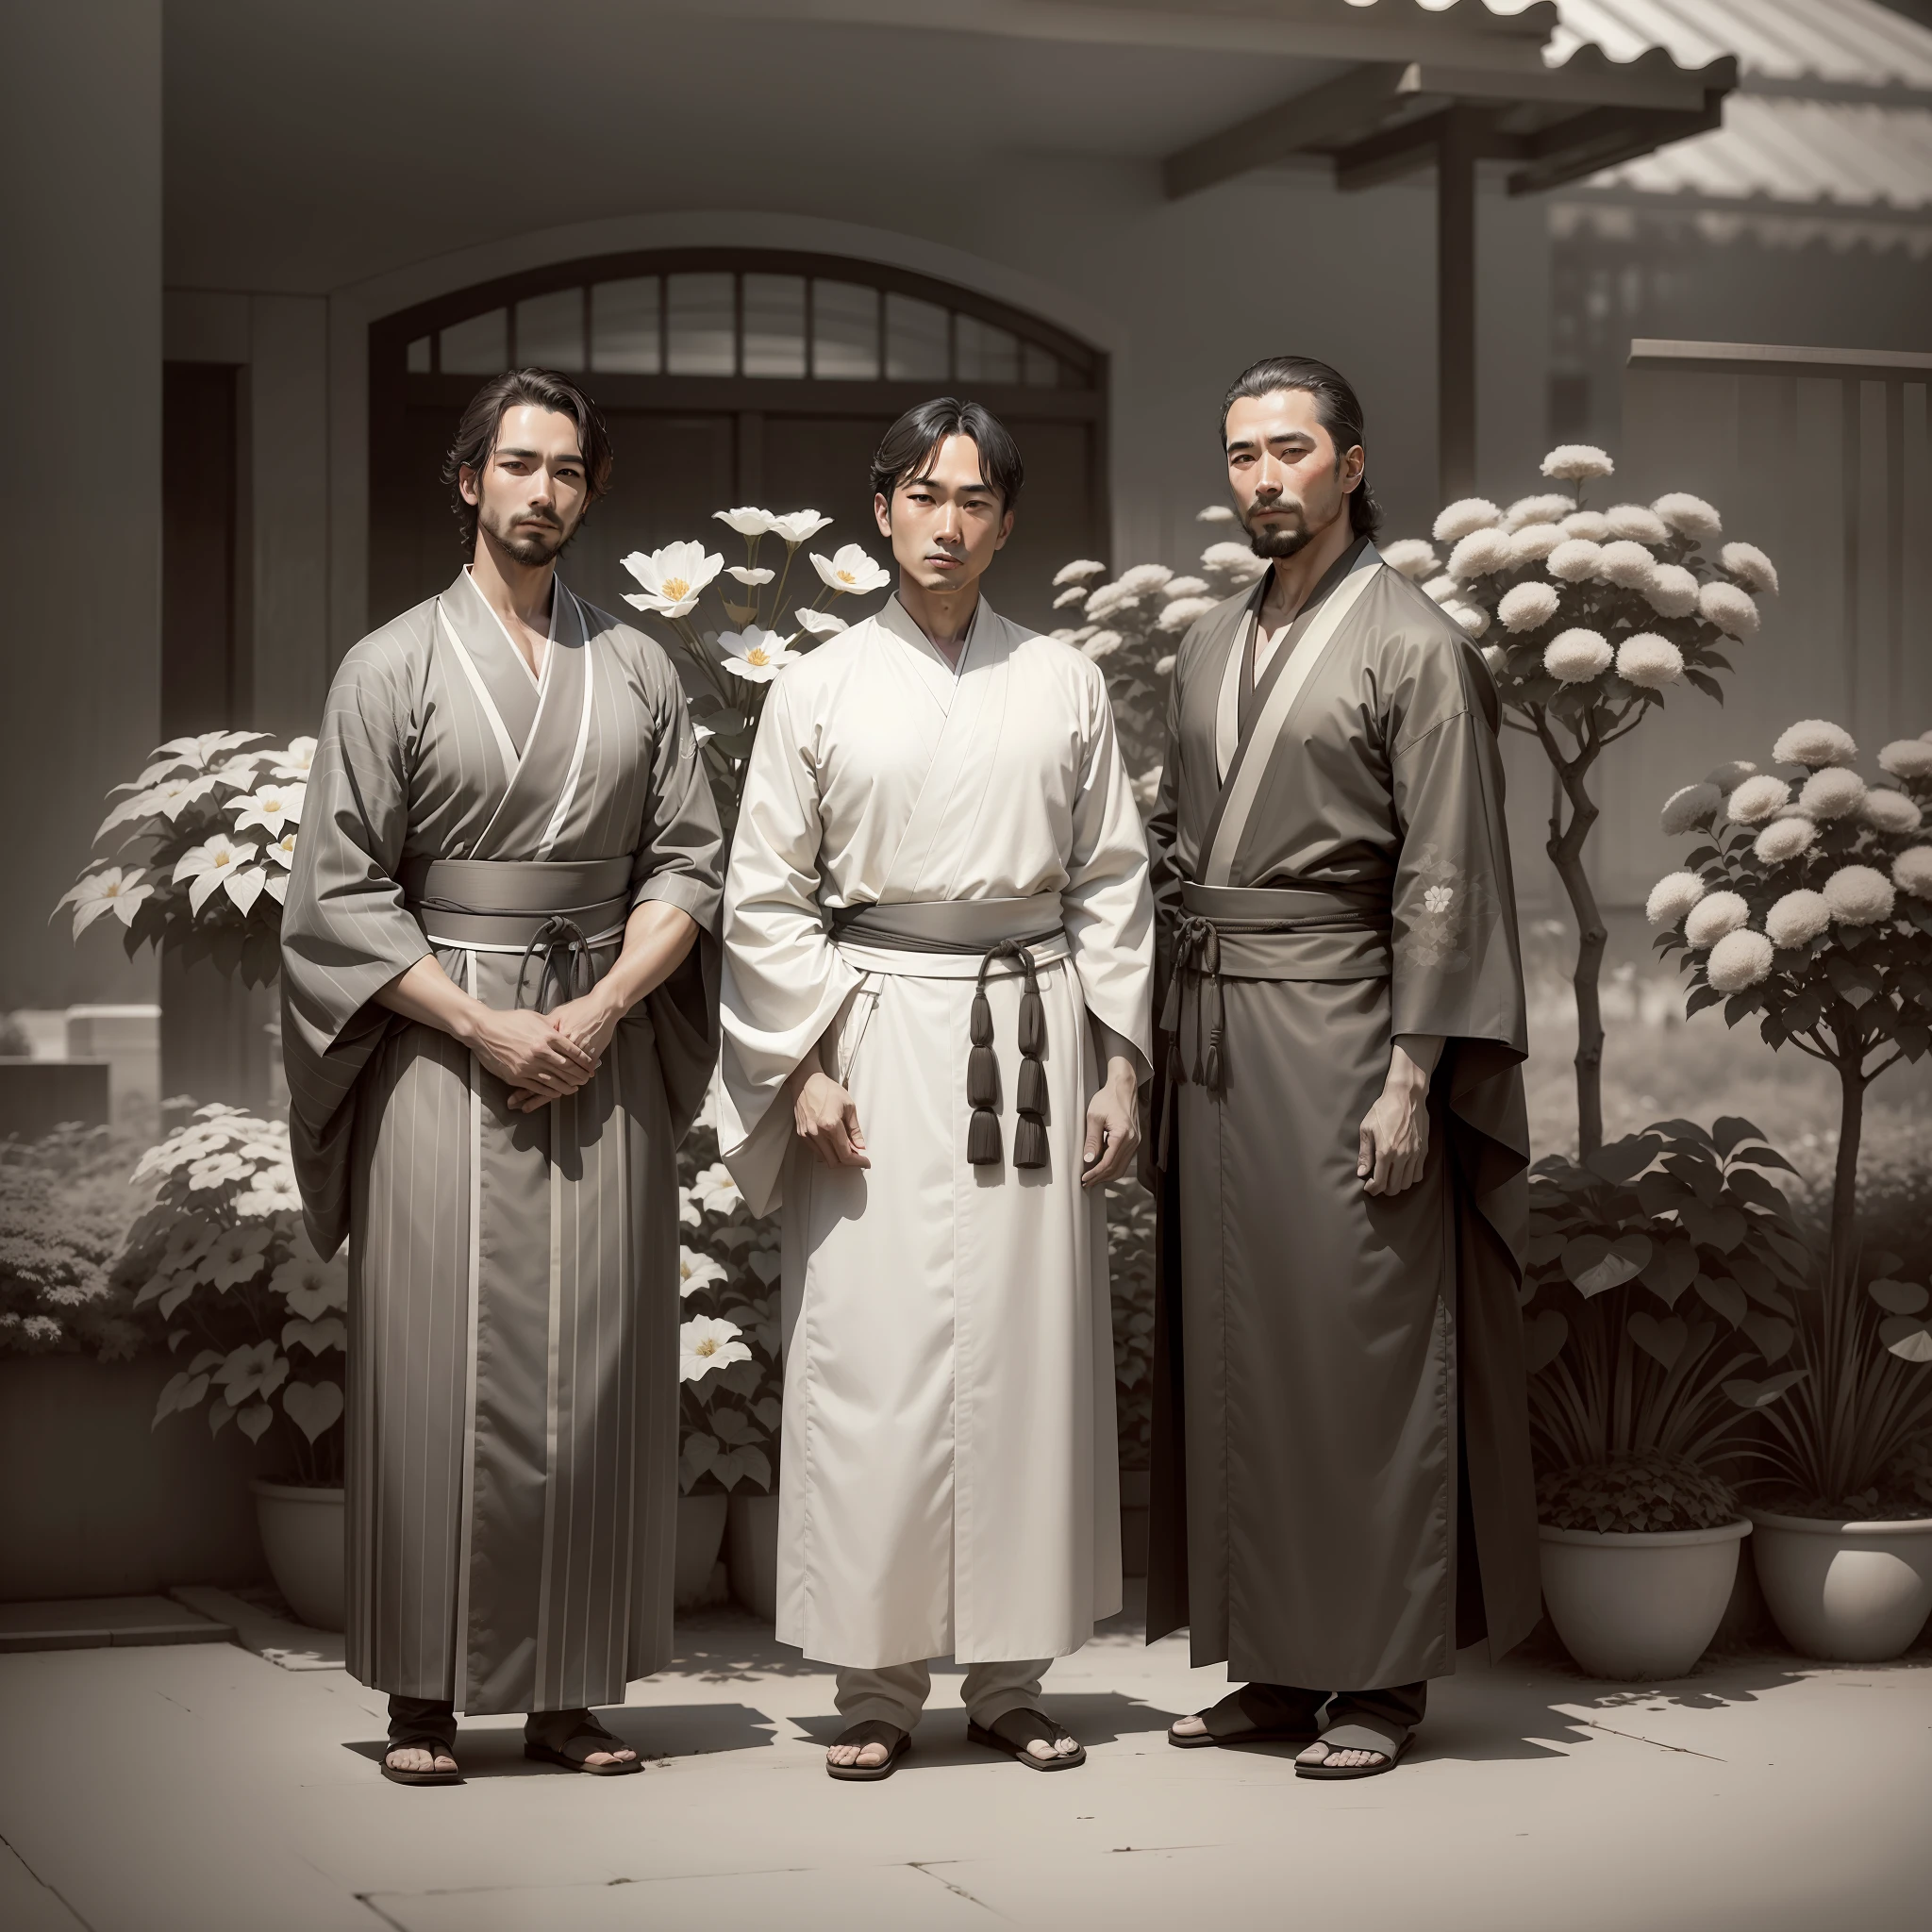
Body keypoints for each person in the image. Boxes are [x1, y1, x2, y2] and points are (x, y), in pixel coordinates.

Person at [280, 368, 724, 1785]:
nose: (543, 491)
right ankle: (422, 1693)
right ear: (467, 479)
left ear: (590, 491)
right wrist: (485, 1026)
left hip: (602, 1039)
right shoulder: (389, 666)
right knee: (434, 1360)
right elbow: (341, 897)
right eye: (518, 464)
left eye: (569, 469)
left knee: (596, 1367)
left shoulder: (641, 668)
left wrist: (594, 1012)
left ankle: (569, 1689)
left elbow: (688, 865)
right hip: (437, 1042)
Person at [717, 398, 1154, 1780]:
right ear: (882, 510)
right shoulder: (818, 685)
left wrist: (1120, 1060)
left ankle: (1015, 1677)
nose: (948, 521)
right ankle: (878, 1678)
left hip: (1032, 1032)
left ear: (1007, 522)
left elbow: (1112, 882)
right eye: (923, 493)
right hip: (876, 1037)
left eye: (975, 499)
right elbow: (769, 891)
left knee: (1025, 1361)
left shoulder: (1064, 681)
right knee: (876, 1359)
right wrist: (806, 1070)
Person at [1144, 356, 1538, 1778]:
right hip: (1217, 1036)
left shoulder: (1414, 643)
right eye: (1242, 453)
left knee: (1359, 1352)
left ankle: (1375, 1681)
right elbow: (1180, 853)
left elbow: (1446, 875)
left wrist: (1409, 1076)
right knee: (1241, 1352)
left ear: (1352, 467)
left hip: (1349, 1027)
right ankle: (1270, 1663)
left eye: (1291, 451)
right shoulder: (1202, 642)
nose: (1263, 477)